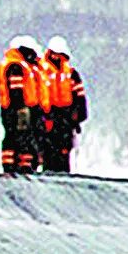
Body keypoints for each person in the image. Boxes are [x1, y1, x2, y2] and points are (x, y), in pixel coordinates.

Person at [0, 34, 44, 174]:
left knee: (22, 135)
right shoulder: (15, 66)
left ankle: (22, 164)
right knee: (17, 135)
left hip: (17, 107)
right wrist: (21, 107)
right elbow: (16, 89)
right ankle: (14, 165)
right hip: (16, 108)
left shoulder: (19, 65)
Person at [40, 37, 88, 172]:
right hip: (48, 116)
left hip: (65, 116)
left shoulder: (71, 74)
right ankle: (49, 171)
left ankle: (62, 172)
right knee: (49, 150)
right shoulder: (41, 71)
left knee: (63, 150)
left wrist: (78, 116)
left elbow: (79, 96)